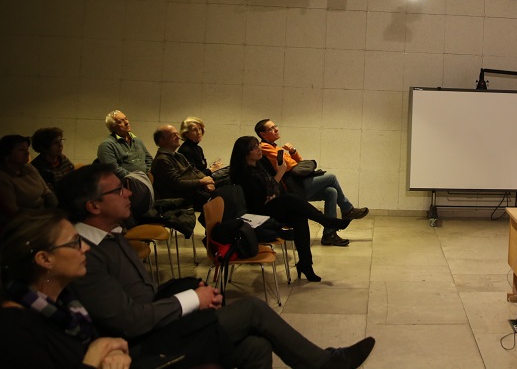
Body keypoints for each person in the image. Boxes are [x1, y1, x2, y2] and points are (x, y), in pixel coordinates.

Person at [57, 163, 376, 369]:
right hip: (145, 345)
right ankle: (325, 363)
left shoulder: (110, 235)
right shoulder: (85, 255)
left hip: (162, 323)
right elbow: (128, 320)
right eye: (118, 190)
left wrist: (185, 292)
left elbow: (142, 294)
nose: (128, 193)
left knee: (256, 347)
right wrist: (190, 299)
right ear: (93, 205)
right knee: (252, 309)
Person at [0, 208, 131, 369]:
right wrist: (96, 354)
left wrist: (111, 353)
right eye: (75, 242)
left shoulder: (66, 301)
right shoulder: (13, 328)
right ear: (44, 259)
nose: (86, 247)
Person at [229, 136, 352, 283]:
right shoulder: (241, 173)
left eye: (258, 145)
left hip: (271, 205)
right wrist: (279, 175)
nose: (259, 149)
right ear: (245, 153)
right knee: (290, 199)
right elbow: (258, 198)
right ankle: (326, 220)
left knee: (299, 217)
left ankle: (306, 264)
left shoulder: (261, 162)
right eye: (254, 147)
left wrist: (272, 192)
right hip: (257, 213)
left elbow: (273, 187)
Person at [255, 119, 367, 247]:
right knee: (331, 177)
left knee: (331, 192)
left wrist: (293, 151)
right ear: (263, 134)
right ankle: (347, 210)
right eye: (271, 128)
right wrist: (292, 161)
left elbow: (298, 162)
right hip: (290, 187)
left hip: (297, 182)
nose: (276, 129)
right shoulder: (265, 147)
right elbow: (290, 166)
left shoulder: (275, 147)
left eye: (275, 126)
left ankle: (329, 234)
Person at [150, 125, 214, 209]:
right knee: (219, 199)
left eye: (177, 134)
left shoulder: (179, 156)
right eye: (173, 135)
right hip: (180, 199)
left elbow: (194, 171)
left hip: (192, 192)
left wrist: (207, 181)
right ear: (161, 140)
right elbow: (177, 184)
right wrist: (202, 181)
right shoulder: (162, 160)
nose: (178, 137)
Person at [0, 134, 58, 226]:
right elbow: (13, 211)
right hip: (23, 222)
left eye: (27, 149)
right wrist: (43, 217)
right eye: (21, 150)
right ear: (6, 154)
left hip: (44, 215)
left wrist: (56, 210)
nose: (27, 153)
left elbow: (47, 192)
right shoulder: (3, 177)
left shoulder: (29, 167)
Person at [96, 110, 152, 178]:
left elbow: (149, 159)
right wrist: (135, 178)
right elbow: (113, 169)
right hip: (124, 182)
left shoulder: (137, 140)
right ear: (112, 127)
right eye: (120, 121)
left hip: (144, 180)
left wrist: (146, 174)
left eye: (126, 119)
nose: (127, 122)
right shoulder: (107, 145)